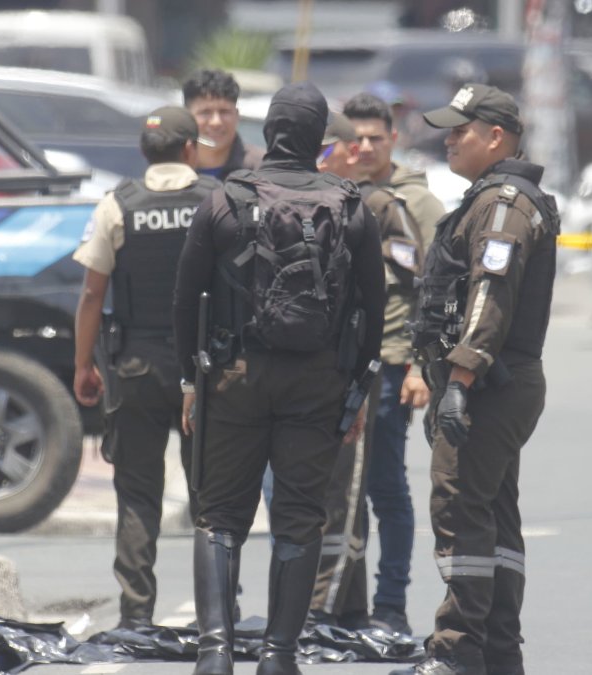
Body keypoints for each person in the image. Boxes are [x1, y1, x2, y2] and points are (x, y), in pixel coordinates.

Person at [174, 81, 386, 675]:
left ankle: (215, 654)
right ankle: (279, 655)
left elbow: (185, 300)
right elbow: (375, 305)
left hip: (234, 379)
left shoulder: (223, 200)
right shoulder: (350, 206)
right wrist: (358, 390)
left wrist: (190, 384)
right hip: (318, 384)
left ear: (269, 132)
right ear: (321, 138)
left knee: (220, 516)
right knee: (298, 517)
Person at [396, 84, 559, 675]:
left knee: (462, 506)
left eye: (460, 130)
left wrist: (460, 380)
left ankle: (458, 651)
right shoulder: (490, 198)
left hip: (487, 382)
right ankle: (497, 649)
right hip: (495, 381)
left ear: (496, 137)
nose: (448, 138)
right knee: (494, 514)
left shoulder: (502, 204)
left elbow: (489, 297)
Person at [72, 106, 220, 632]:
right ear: (190, 151)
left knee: (138, 492)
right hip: (204, 372)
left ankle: (136, 618)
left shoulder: (118, 205)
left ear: (144, 153)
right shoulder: (215, 202)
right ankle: (215, 620)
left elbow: (93, 295)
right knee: (211, 497)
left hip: (135, 365)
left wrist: (83, 366)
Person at [342, 92, 444, 636]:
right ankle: (347, 604)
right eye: (354, 138)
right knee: (344, 492)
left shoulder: (417, 203)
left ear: (392, 140)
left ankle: (390, 603)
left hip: (389, 364)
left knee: (385, 487)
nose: (362, 148)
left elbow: (439, 287)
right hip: (339, 367)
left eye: (374, 139)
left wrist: (419, 366)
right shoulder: (336, 191)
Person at [307, 111, 373, 630]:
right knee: (327, 494)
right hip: (314, 372)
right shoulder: (322, 206)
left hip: (350, 371)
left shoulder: (366, 209)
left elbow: (384, 305)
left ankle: (327, 608)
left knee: (346, 496)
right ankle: (342, 605)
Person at [183, 68, 265, 181]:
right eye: (205, 112)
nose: (216, 122)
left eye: (224, 112)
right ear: (187, 116)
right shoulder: (168, 167)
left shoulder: (263, 169)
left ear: (237, 115)